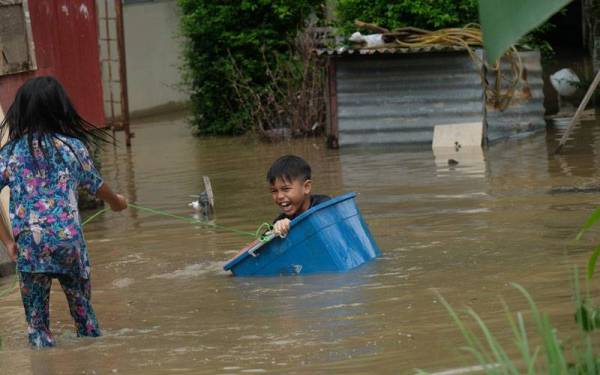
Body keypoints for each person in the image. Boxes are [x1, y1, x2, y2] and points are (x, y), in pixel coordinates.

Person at [0, 76, 128, 348]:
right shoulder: (73, 148)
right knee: (85, 319)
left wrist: (9, 242)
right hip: (69, 245)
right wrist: (117, 201)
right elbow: (97, 187)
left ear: (20, 111)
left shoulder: (9, 154)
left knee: (37, 326)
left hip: (31, 247)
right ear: (60, 109)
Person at [267, 155, 329, 236]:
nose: (279, 196)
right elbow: (262, 242)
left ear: (306, 187)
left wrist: (293, 225)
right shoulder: (280, 222)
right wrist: (275, 231)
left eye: (286, 189)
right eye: (274, 191)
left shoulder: (325, 205)